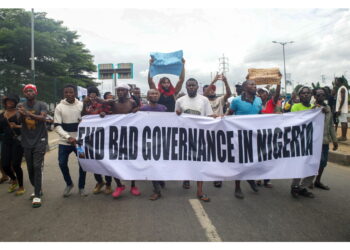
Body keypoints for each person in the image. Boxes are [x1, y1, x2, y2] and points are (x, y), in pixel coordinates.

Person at [175, 78, 213, 202]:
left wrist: (219, 118)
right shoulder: (180, 100)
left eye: (193, 85)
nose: (191, 87)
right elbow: (175, 118)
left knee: (199, 163)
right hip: (185, 137)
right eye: (189, 85)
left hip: (200, 136)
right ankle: (186, 178)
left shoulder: (204, 100)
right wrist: (178, 114)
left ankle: (200, 191)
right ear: (186, 87)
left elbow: (209, 117)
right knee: (186, 160)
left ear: (197, 87)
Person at [226, 80, 260, 199]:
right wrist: (220, 119)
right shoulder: (236, 101)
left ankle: (250, 178)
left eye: (255, 85)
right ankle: (237, 187)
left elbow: (261, 115)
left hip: (254, 135)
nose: (254, 86)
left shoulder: (258, 100)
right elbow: (229, 114)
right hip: (239, 136)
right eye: (251, 84)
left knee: (253, 160)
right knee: (240, 162)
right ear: (245, 88)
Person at [54, 85, 89, 197]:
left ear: (75, 93)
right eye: (66, 92)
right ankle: (69, 184)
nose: (69, 94)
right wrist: (68, 137)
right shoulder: (59, 107)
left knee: (83, 164)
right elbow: (57, 126)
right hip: (65, 142)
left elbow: (87, 121)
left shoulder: (81, 105)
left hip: (79, 142)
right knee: (62, 163)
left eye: (71, 92)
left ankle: (81, 187)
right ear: (64, 94)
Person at [17, 84, 48, 208]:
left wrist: (28, 114)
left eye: (31, 91)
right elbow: (19, 121)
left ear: (36, 93)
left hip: (40, 139)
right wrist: (21, 113)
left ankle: (37, 195)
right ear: (24, 94)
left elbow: (43, 118)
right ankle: (38, 188)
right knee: (30, 168)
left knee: (36, 166)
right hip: (26, 141)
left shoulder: (42, 105)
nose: (29, 93)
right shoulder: (21, 106)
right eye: (27, 91)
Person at [110, 83, 141, 198]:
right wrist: (103, 114)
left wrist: (138, 109)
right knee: (113, 161)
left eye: (122, 90)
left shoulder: (132, 102)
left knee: (131, 161)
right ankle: (119, 185)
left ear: (127, 91)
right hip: (115, 137)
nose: (120, 92)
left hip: (130, 137)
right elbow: (104, 108)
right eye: (118, 90)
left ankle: (133, 185)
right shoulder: (113, 103)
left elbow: (140, 114)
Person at [81, 86, 113, 195]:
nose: (92, 95)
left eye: (94, 93)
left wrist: (105, 114)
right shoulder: (86, 104)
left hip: (103, 136)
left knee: (105, 161)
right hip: (90, 137)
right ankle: (99, 182)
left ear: (97, 93)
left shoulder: (102, 103)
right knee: (93, 160)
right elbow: (82, 115)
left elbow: (111, 115)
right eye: (90, 93)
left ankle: (108, 184)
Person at [203, 73, 232, 188]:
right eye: (209, 90)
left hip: (219, 130)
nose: (211, 91)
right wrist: (213, 81)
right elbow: (204, 95)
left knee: (218, 155)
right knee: (207, 154)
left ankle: (217, 177)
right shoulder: (203, 100)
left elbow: (229, 94)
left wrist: (225, 81)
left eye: (212, 90)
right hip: (206, 130)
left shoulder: (220, 100)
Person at [139, 89, 167, 200]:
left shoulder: (163, 108)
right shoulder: (143, 109)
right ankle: (156, 190)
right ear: (147, 96)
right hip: (148, 141)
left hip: (162, 140)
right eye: (152, 93)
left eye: (156, 94)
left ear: (159, 96)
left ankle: (161, 179)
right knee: (151, 165)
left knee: (160, 163)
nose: (154, 95)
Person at [310, 88, 338, 190]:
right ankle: (309, 181)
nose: (320, 97)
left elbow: (330, 125)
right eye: (318, 95)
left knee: (323, 162)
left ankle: (317, 180)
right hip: (314, 140)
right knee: (314, 162)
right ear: (315, 97)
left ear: (325, 96)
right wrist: (316, 110)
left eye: (322, 95)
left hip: (325, 139)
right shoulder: (312, 108)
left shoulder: (328, 108)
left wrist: (335, 140)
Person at [290, 86, 315, 198]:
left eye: (308, 93)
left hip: (312, 141)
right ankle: (295, 187)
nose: (306, 95)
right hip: (299, 141)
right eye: (303, 93)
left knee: (313, 165)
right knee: (299, 165)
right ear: (300, 96)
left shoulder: (316, 108)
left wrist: (322, 111)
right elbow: (294, 121)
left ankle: (303, 187)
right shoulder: (295, 107)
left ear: (311, 95)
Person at [256, 79, 282, 188]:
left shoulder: (272, 102)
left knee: (269, 157)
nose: (262, 94)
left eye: (264, 92)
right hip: (258, 134)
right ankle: (257, 177)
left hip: (270, 134)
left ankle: (267, 179)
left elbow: (277, 94)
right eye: (260, 92)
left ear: (267, 94)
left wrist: (278, 83)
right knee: (259, 157)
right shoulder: (256, 104)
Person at [0, 94, 25, 195]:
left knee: (15, 164)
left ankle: (21, 186)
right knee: (5, 165)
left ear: (15, 102)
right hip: (6, 141)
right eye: (7, 101)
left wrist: (16, 126)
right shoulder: (2, 115)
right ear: (5, 103)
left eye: (11, 101)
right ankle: (14, 179)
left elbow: (26, 127)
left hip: (17, 141)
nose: (9, 103)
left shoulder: (20, 113)